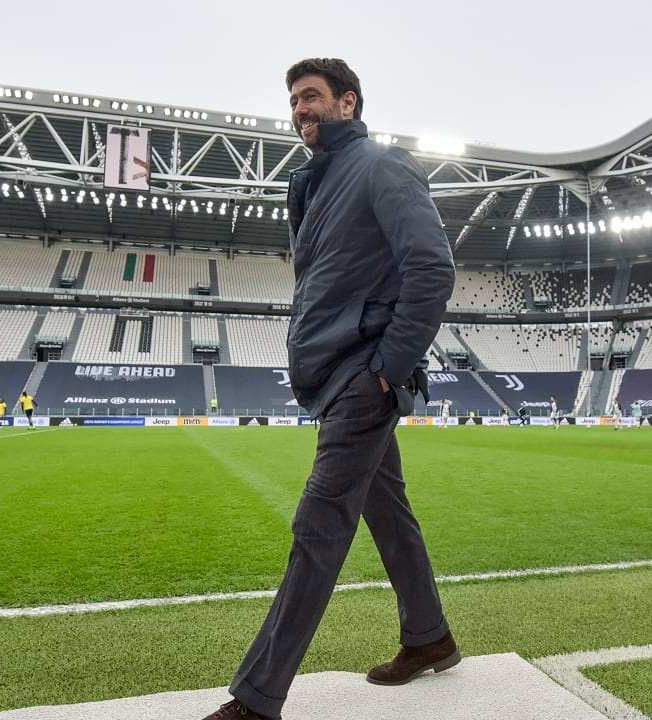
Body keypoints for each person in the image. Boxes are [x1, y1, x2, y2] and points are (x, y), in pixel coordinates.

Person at [204, 58, 456, 720]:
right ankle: (429, 638)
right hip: (334, 376)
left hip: (362, 377)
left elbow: (431, 266)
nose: (299, 108)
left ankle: (257, 701)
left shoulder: (380, 166)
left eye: (311, 96)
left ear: (347, 104)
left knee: (317, 527)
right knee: (389, 516)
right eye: (293, 99)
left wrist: (389, 365)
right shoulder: (313, 184)